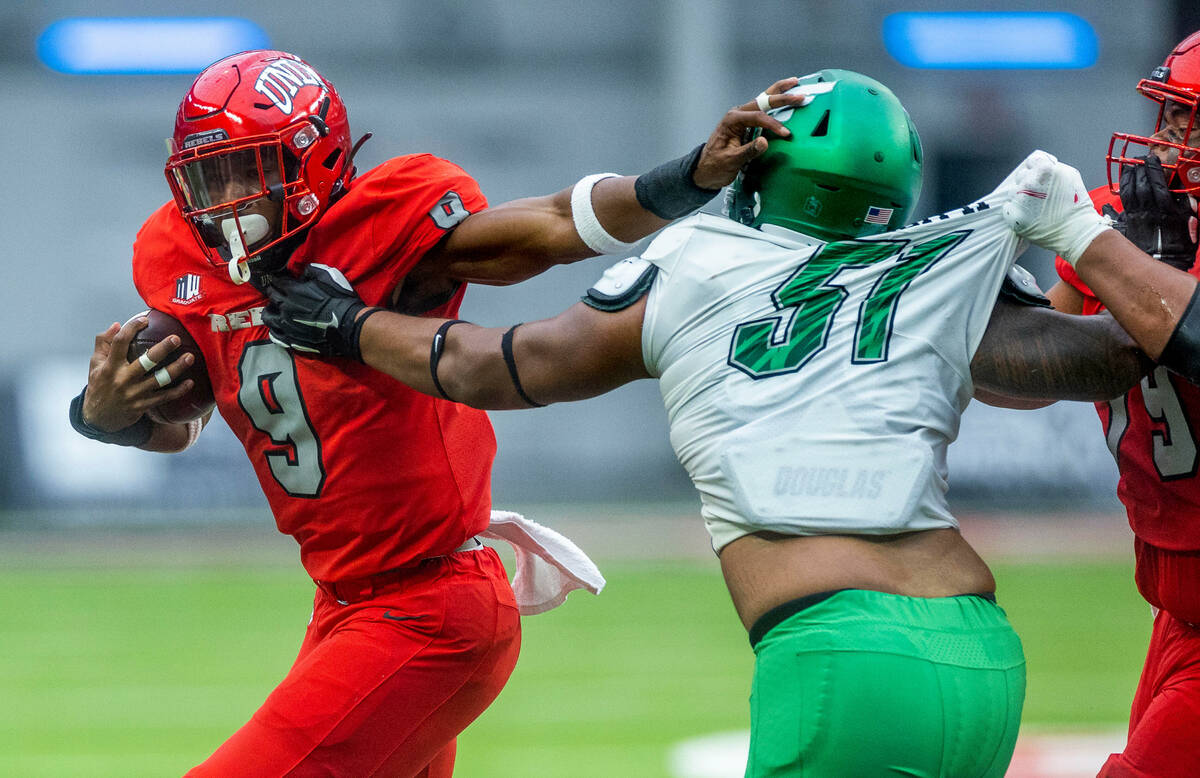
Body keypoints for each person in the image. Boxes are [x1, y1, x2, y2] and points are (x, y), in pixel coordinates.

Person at [264, 69, 1161, 777]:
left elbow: (508, 366)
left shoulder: (704, 254)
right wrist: (1108, 241)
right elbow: (1098, 360)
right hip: (985, 658)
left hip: (844, 659)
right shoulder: (926, 275)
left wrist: (352, 329)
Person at [67, 49, 803, 777]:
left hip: (429, 606)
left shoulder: (380, 223)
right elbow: (183, 423)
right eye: (207, 174)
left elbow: (548, 226)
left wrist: (690, 176)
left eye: (245, 169)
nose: (223, 197)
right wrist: (103, 417)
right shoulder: (179, 256)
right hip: (343, 603)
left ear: (311, 161)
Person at [1039, 30, 1200, 777]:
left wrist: (1115, 259)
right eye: (1171, 118)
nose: (1173, 144)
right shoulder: (1124, 225)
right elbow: (1031, 372)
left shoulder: (1110, 239)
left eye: (1197, 123)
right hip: (1174, 606)